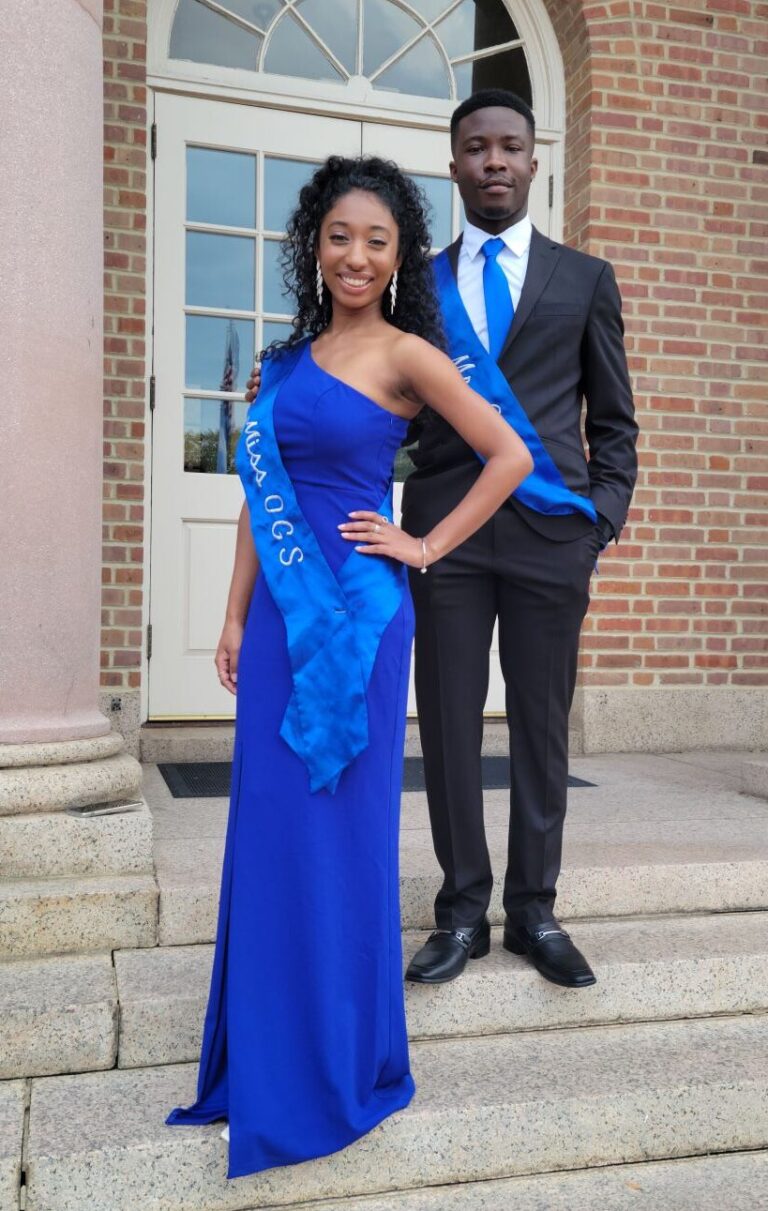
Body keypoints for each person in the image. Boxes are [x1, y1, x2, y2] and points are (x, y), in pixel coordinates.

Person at [167, 155, 532, 1180]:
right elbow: (259, 496)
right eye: (339, 236)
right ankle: (269, 1057)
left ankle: (333, 1065)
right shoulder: (285, 363)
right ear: (314, 246)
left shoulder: (410, 354)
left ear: (400, 252)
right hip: (281, 627)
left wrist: (424, 544)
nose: (357, 255)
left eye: (377, 239)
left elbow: (508, 454)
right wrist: (232, 615)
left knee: (340, 837)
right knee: (273, 830)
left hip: (360, 624)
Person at [401, 90, 638, 988]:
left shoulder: (585, 278)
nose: (493, 161)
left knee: (541, 728)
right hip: (445, 537)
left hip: (551, 535)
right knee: (450, 724)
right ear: (453, 164)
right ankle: (462, 910)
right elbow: (387, 404)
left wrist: (599, 521)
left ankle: (534, 909)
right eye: (476, 148)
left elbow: (614, 421)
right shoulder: (415, 284)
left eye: (509, 146)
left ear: (535, 162)